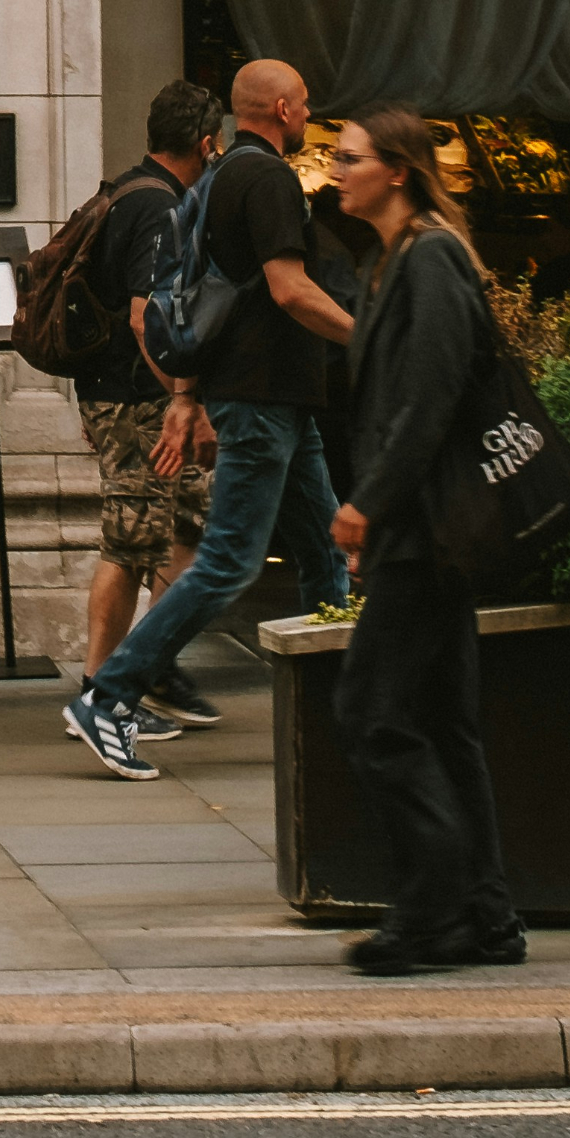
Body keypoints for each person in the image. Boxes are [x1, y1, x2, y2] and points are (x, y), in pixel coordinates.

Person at [63, 57, 355, 780]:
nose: (310, 112)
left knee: (321, 552)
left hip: (271, 399)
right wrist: (370, 334)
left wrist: (188, 397)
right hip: (261, 401)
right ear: (284, 108)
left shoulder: (216, 179)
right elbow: (287, 291)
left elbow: (194, 295)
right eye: (307, 102)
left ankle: (344, 707)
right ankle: (108, 697)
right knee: (226, 562)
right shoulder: (267, 180)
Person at [327, 108, 525, 974]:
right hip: (414, 528)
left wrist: (366, 505)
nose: (334, 170)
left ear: (396, 170)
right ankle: (485, 918)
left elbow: (432, 394)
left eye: (349, 159)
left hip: (422, 527)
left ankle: (433, 911)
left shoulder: (430, 256)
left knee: (369, 711)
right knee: (442, 721)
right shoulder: (386, 261)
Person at [71, 79, 224, 733]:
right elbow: (143, 318)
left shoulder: (125, 189)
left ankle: (151, 666)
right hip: (138, 401)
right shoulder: (160, 207)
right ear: (206, 142)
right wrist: (184, 400)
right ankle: (97, 693)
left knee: (188, 527)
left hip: (129, 397)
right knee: (130, 543)